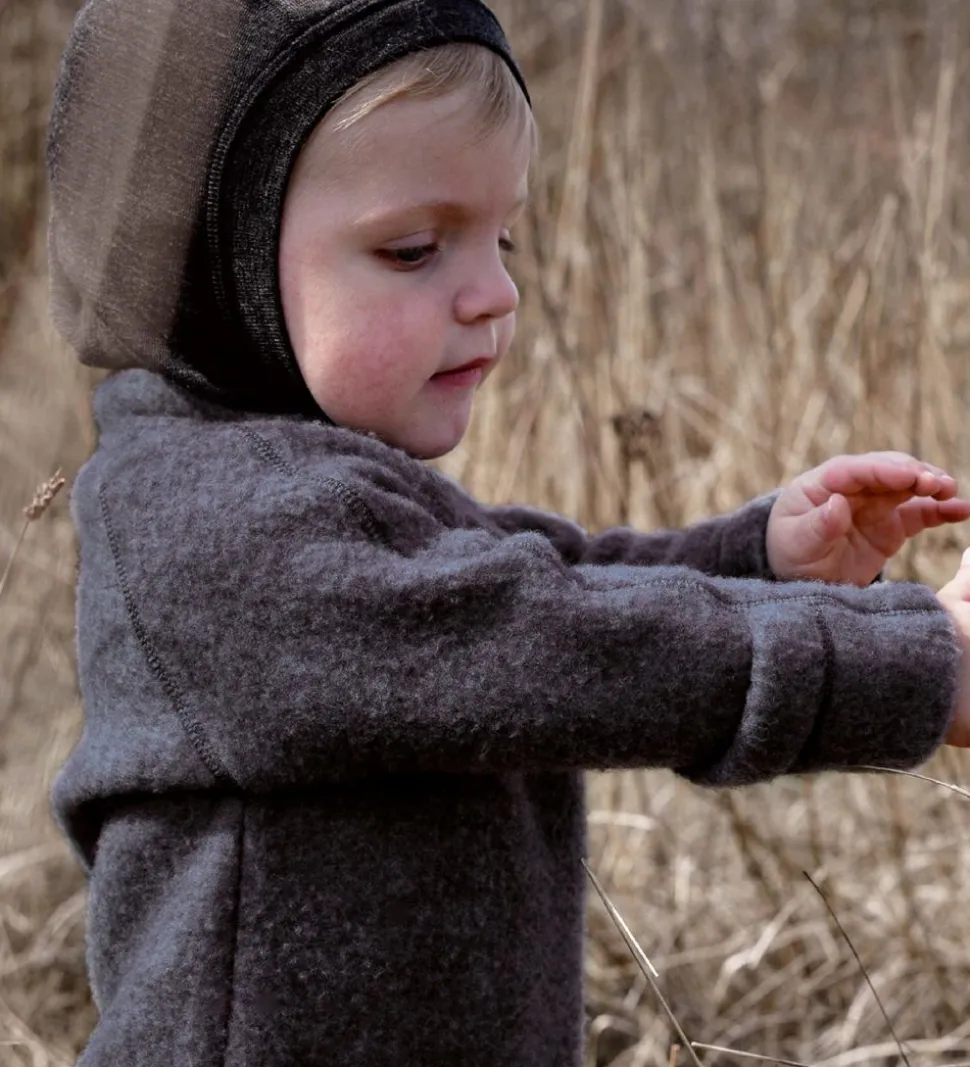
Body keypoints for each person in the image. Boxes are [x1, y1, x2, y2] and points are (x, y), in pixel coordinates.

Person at [45, 0, 970, 1064]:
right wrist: (914, 661)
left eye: (503, 236)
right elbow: (539, 638)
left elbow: (535, 583)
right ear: (215, 262)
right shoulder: (209, 524)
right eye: (411, 249)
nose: (494, 293)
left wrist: (754, 559)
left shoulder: (301, 479)